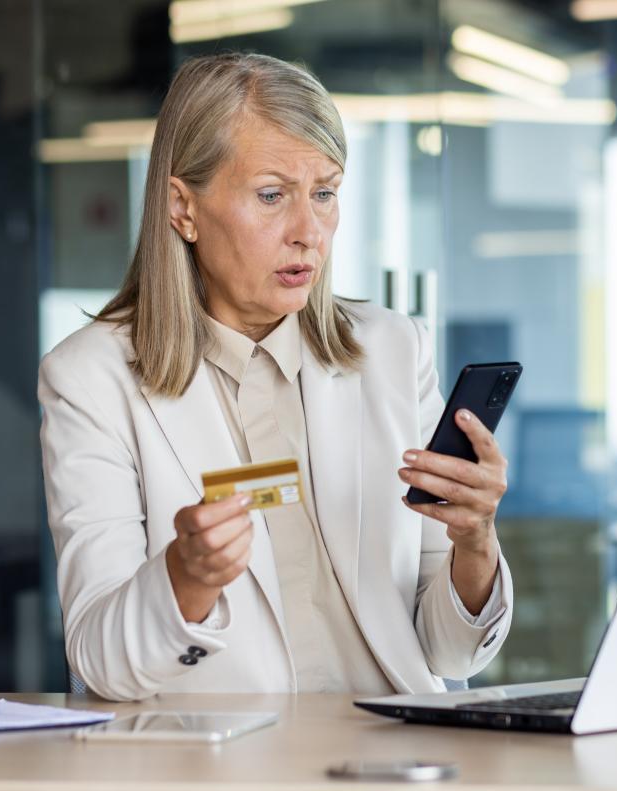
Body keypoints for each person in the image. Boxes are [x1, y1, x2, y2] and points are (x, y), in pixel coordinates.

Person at [38, 53, 513, 701]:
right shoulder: (90, 379)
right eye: (271, 195)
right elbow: (101, 661)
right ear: (183, 208)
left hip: (392, 764)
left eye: (324, 193)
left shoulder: (393, 351)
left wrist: (474, 541)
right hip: (219, 774)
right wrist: (188, 576)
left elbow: (449, 649)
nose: (309, 232)